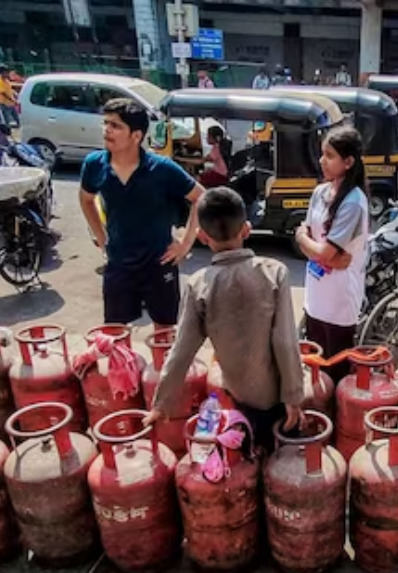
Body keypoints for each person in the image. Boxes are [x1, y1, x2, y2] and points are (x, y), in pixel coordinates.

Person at [147, 187, 304, 452]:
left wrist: (161, 405)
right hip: (279, 397)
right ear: (246, 230)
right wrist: (294, 397)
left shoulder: (199, 284)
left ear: (202, 237)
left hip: (240, 398)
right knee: (283, 467)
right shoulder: (275, 272)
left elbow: (182, 351)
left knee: (246, 464)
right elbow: (286, 341)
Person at [79, 98, 203, 331]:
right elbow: (86, 199)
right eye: (105, 123)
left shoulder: (162, 168)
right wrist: (102, 238)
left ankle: (162, 368)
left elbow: (201, 197)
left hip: (158, 262)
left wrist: (186, 244)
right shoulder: (94, 164)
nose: (107, 130)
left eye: (115, 126)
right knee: (114, 333)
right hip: (118, 262)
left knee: (165, 332)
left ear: (136, 136)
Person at [296, 126, 368, 380]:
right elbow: (315, 246)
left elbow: (321, 249)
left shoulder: (353, 203)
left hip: (339, 303)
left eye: (329, 155)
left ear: (348, 162)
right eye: (322, 154)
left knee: (335, 371)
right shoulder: (319, 193)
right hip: (315, 296)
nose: (322, 161)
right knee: (315, 367)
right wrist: (311, 245)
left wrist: (306, 241)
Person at [0, 65, 20, 129]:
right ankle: (8, 133)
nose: (7, 73)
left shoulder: (6, 80)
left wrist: (15, 94)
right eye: (6, 72)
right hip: (4, 103)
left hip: (10, 102)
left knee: (16, 117)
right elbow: (4, 93)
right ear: (1, 72)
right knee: (7, 119)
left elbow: (9, 88)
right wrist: (13, 100)